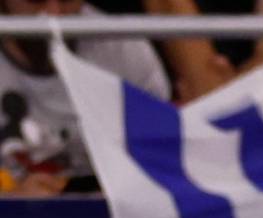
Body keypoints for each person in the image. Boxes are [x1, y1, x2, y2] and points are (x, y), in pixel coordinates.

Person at [0, 0, 169, 195]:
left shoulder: (123, 47)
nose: (53, 13)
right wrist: (12, 203)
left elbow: (163, 163)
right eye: (35, 0)